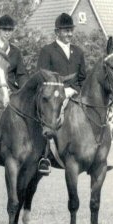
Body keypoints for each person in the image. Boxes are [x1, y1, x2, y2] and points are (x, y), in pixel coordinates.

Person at [35, 12, 87, 173]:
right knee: (48, 121)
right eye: (66, 31)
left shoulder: (78, 51)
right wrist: (62, 90)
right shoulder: (47, 50)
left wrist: (76, 91)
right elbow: (42, 77)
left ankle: (94, 154)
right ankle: (44, 158)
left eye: (71, 30)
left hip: (75, 96)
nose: (69, 34)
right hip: (54, 97)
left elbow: (83, 77)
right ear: (57, 32)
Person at [0, 14, 28, 91]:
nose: (7, 33)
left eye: (10, 30)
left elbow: (21, 75)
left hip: (11, 91)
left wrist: (25, 90)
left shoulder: (16, 51)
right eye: (4, 30)